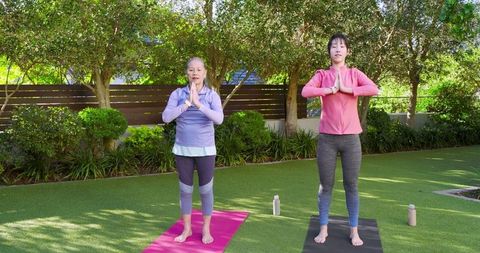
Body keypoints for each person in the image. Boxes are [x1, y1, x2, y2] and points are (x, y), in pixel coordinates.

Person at [301, 33, 379, 247]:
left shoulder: (354, 73)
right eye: (334, 46)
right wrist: (329, 90)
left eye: (342, 46)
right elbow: (305, 91)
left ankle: (354, 231)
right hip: (327, 139)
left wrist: (347, 89)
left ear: (347, 51)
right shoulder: (322, 75)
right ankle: (323, 228)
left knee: (351, 185)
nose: (338, 49)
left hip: (351, 139)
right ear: (329, 51)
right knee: (325, 185)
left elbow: (374, 89)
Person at [162, 57, 224, 244]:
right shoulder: (178, 94)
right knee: (185, 191)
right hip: (183, 150)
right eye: (191, 70)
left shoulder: (212, 95)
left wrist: (199, 104)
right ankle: (187, 229)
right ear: (186, 73)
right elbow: (166, 117)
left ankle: (206, 229)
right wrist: (187, 103)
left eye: (198, 70)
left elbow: (219, 119)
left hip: (206, 150)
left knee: (206, 190)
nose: (195, 73)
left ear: (205, 73)